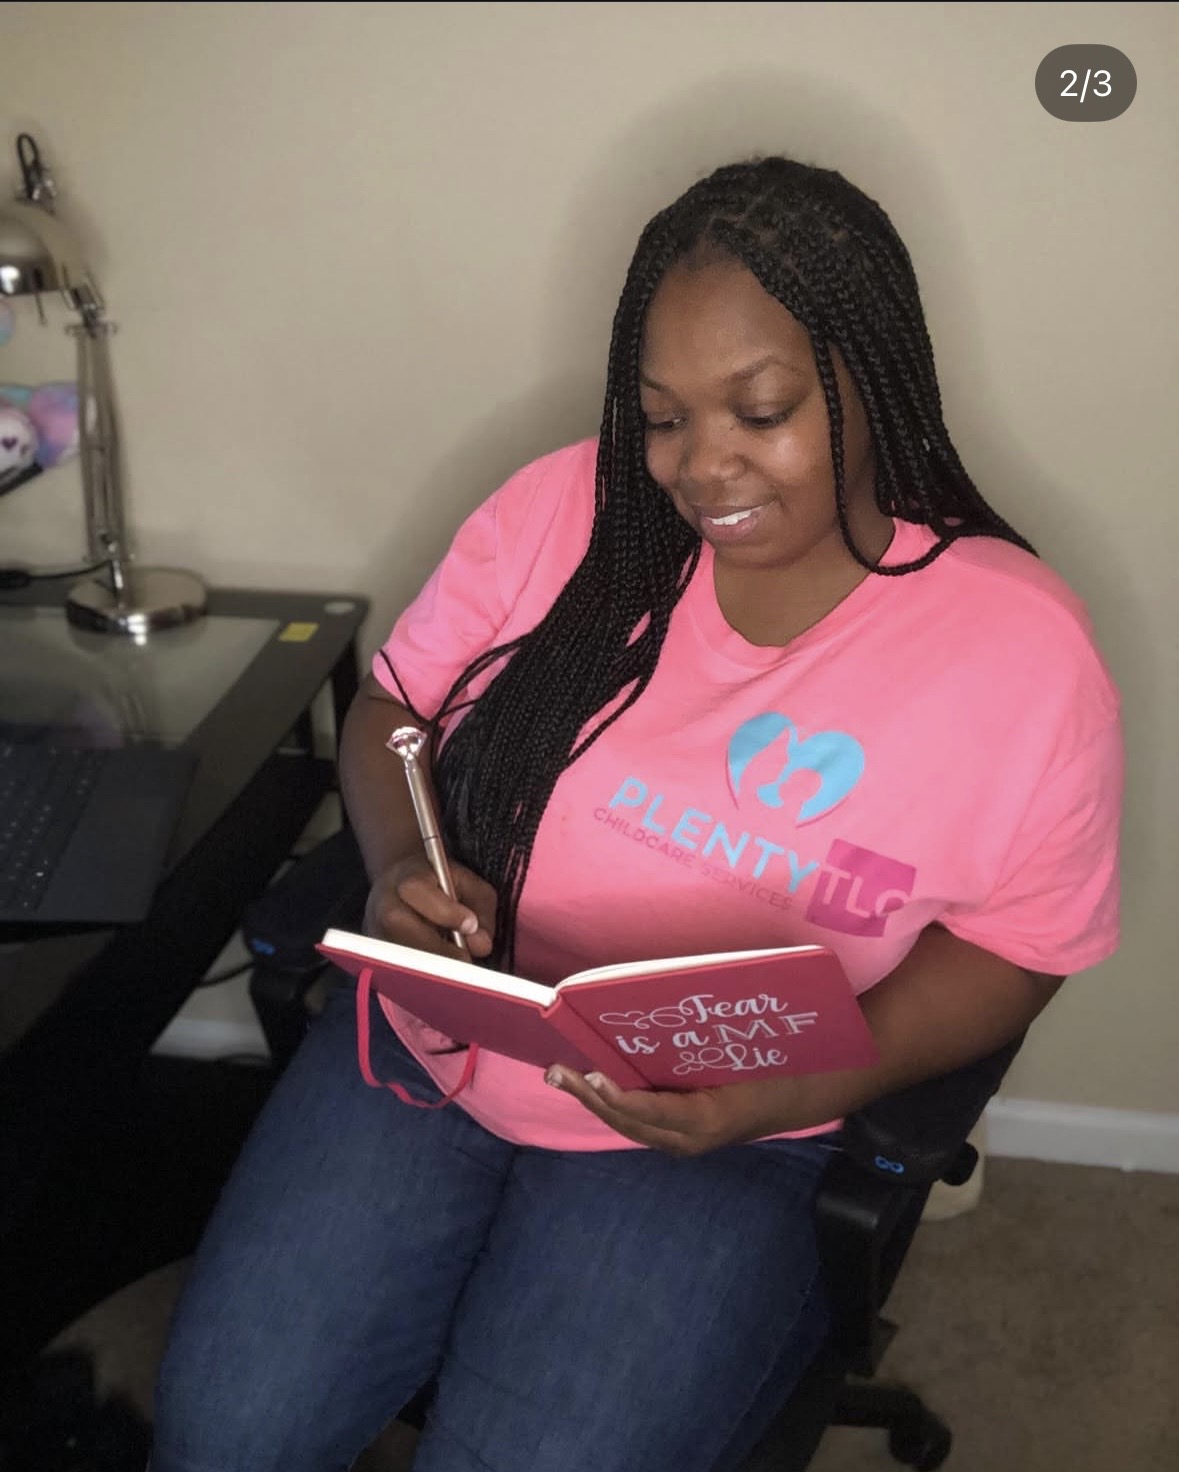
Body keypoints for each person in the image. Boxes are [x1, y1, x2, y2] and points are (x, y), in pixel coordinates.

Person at [151, 155, 1122, 1472]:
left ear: (873, 382)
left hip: (724, 1133)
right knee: (225, 1434)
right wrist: (397, 873)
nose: (698, 467)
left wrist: (801, 1081)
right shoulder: (570, 507)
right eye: (663, 418)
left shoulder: (1019, 652)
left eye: (761, 409)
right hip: (445, 1046)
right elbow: (392, 715)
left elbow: (1019, 947)